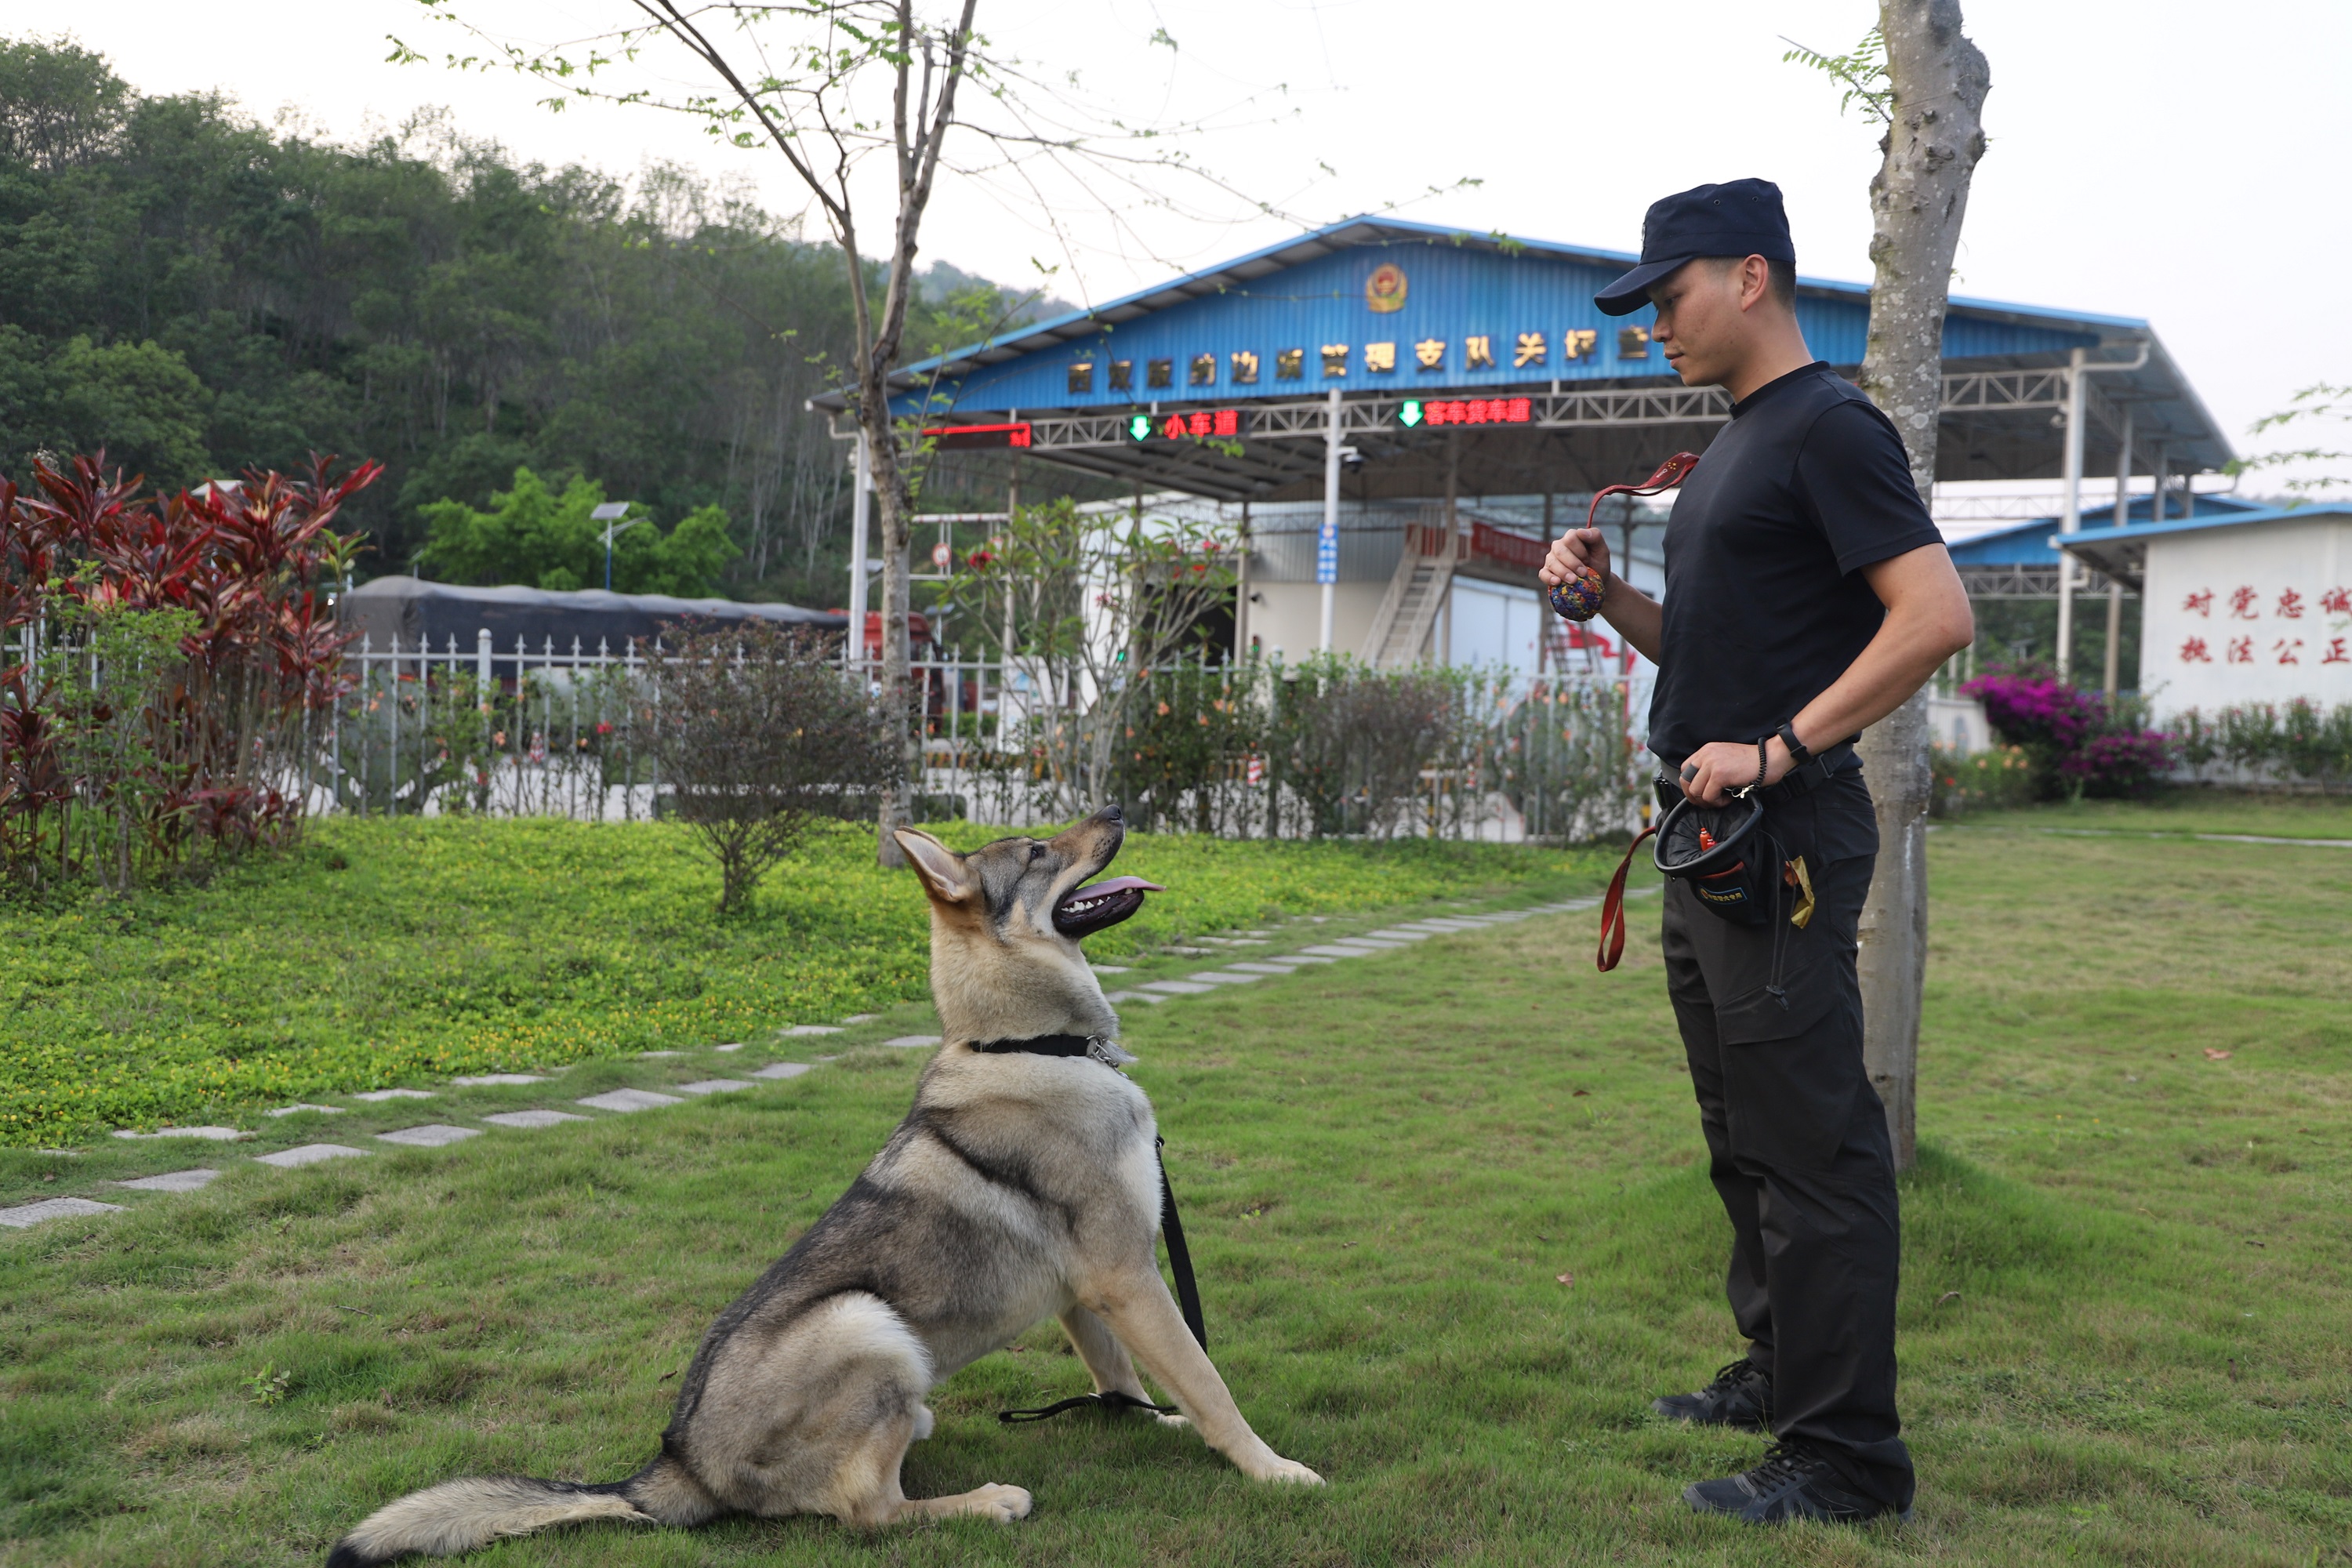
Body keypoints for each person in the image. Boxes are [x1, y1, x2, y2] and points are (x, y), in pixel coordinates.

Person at [1541, 178, 1974, 1525]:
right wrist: (1612, 600)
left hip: (1777, 832)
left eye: (1665, 299)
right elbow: (1724, 653)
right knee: (1743, 1132)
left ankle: (1844, 1459)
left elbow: (1934, 614)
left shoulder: (1830, 428)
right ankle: (1777, 1364)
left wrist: (1783, 750)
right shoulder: (1736, 445)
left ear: (1749, 277)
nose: (1653, 325)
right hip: (1707, 835)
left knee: (1815, 1150)